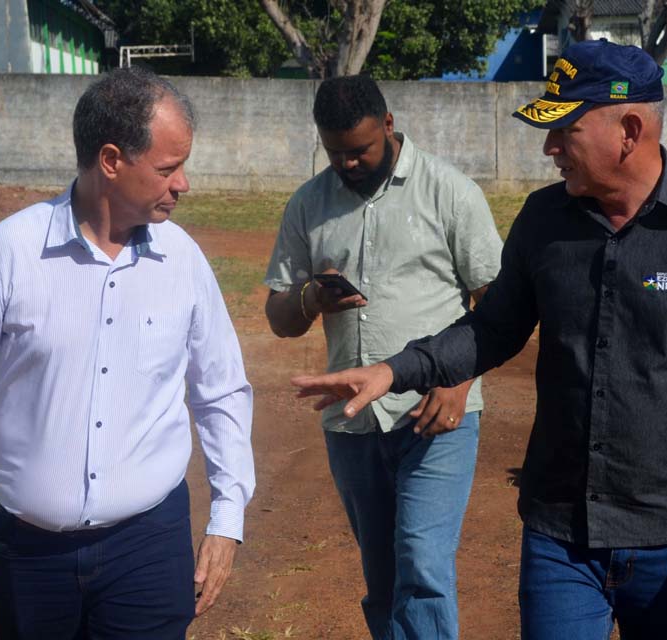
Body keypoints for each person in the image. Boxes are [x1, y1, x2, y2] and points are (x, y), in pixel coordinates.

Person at [291, 41, 667, 639]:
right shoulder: (544, 221)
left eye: (563, 130)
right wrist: (395, 371)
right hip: (558, 533)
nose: (548, 149)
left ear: (628, 129)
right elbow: (491, 329)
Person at [0, 67, 255, 639]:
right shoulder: (5, 257)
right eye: (168, 169)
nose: (184, 184)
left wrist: (227, 514)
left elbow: (220, 390)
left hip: (149, 542)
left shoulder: (184, 262)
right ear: (111, 161)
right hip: (28, 554)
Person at [264, 75, 502, 639]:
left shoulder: (450, 192)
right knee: (383, 572)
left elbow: (499, 305)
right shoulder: (308, 204)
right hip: (352, 423)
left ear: (389, 126)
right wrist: (313, 297)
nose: (347, 163)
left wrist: (459, 382)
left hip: (435, 414)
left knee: (421, 563)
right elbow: (279, 315)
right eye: (336, 152)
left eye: (360, 150)